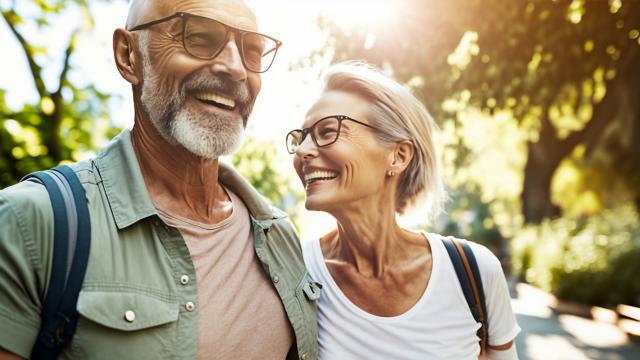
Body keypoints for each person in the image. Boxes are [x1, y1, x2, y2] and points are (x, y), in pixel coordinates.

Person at [0, 0, 318, 359]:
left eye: (252, 52)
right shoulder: (31, 221)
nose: (234, 68)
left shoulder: (281, 237)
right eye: (198, 37)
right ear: (129, 55)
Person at [286, 62, 520, 359]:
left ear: (398, 155)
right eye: (301, 137)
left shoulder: (475, 272)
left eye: (327, 131)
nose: (302, 151)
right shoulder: (296, 273)